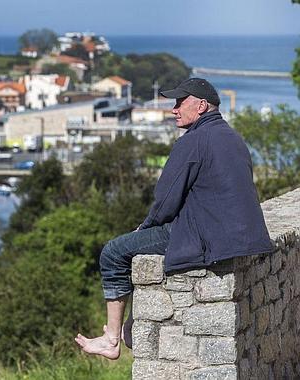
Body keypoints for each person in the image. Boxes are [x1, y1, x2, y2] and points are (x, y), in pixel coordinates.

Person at [74, 78, 273, 359]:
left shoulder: (192, 142)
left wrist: (144, 228)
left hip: (206, 236)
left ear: (201, 106)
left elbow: (165, 201)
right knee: (134, 248)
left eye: (180, 102)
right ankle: (130, 325)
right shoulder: (232, 137)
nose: (173, 109)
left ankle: (110, 340)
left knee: (114, 252)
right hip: (240, 235)